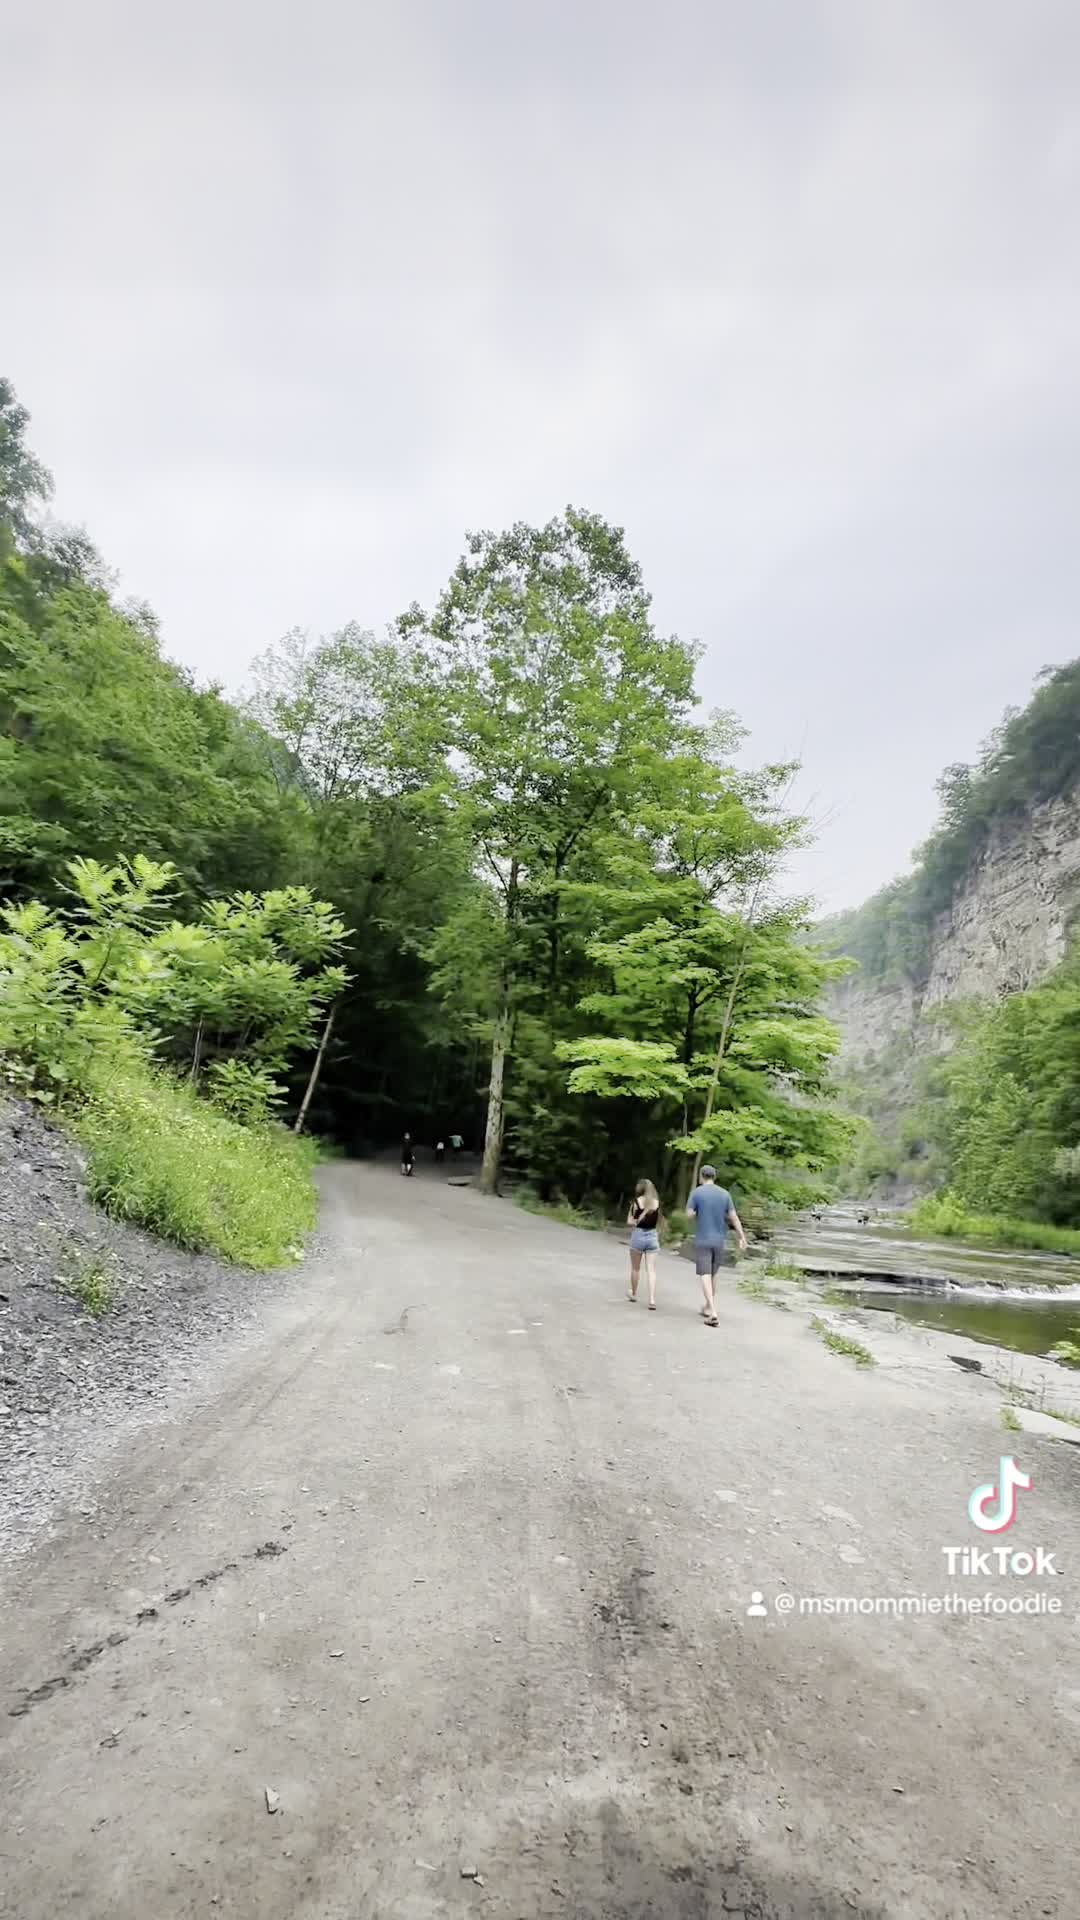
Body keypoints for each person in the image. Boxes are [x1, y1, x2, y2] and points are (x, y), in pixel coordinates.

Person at [686, 1165, 747, 1327]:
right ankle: (707, 1306)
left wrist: (697, 1211)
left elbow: (689, 1215)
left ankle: (713, 1312)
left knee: (705, 1274)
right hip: (720, 1240)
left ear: (701, 1176)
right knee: (713, 1275)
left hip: (703, 1239)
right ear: (714, 1177)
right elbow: (734, 1217)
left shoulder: (697, 1192)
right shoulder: (725, 1194)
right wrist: (742, 1237)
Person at [626, 1178, 662, 1310]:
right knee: (651, 1270)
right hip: (652, 1236)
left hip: (638, 1236)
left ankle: (634, 1294)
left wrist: (635, 1221)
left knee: (636, 1268)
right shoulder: (656, 1203)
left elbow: (630, 1221)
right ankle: (652, 1299)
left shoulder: (636, 1203)